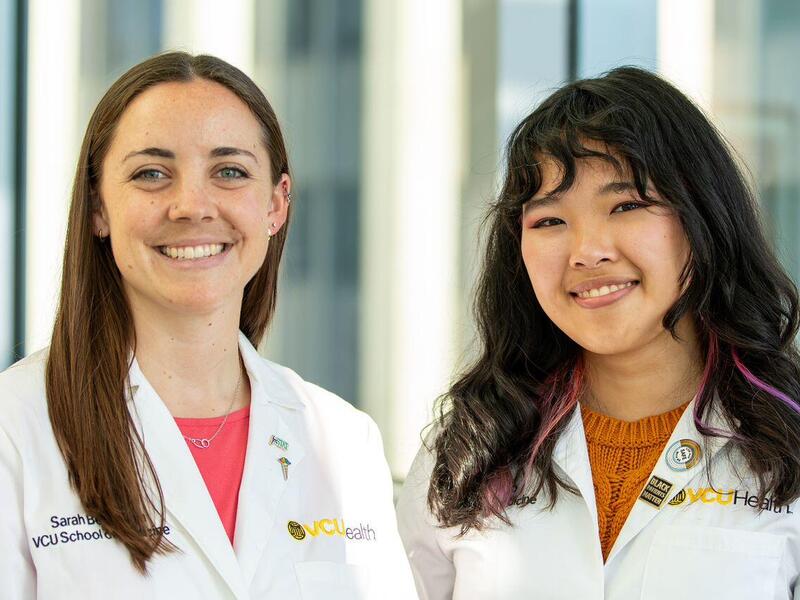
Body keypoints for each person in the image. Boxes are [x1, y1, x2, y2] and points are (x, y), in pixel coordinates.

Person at [0, 52, 416, 600]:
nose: (191, 205)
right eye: (151, 173)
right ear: (98, 207)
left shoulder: (344, 442)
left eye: (230, 172)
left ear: (276, 204)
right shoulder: (16, 426)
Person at [397, 66, 800, 599]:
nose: (588, 251)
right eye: (549, 221)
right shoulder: (470, 450)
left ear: (703, 217)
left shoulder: (786, 444)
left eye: (627, 206)